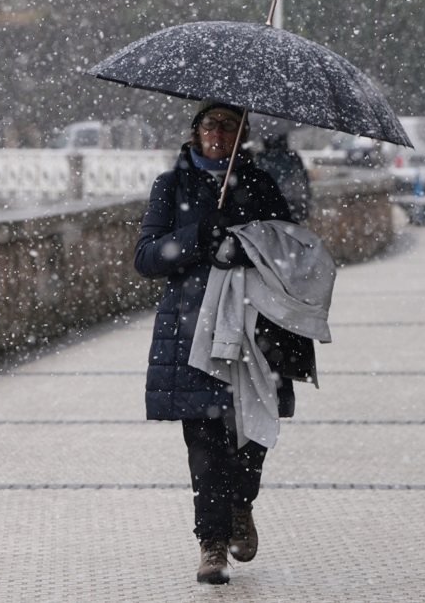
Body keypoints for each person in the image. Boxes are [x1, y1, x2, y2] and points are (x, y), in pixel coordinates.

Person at [132, 100, 296, 585]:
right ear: (196, 131)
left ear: (242, 133)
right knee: (203, 439)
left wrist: (249, 243)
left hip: (253, 328)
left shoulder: (261, 185)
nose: (218, 134)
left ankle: (242, 503)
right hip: (191, 329)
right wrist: (197, 235)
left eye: (229, 126)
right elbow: (146, 256)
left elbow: (288, 250)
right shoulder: (171, 186)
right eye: (210, 125)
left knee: (250, 432)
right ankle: (212, 543)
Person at [254, 123, 312, 223]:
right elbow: (302, 183)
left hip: (266, 209)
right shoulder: (292, 157)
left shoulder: (260, 158)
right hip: (291, 207)